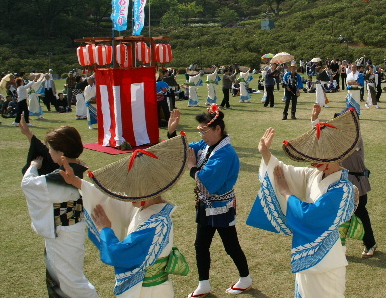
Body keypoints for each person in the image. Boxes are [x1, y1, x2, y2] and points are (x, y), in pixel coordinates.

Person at [60, 135, 189, 298]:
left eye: (130, 192)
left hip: (150, 292)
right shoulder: (148, 208)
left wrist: (105, 229)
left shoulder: (157, 222)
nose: (126, 196)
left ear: (144, 193)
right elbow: (109, 201)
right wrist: (78, 183)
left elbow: (118, 254)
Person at [247, 110, 359, 298]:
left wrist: (286, 193)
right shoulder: (314, 175)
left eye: (318, 156)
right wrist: (265, 153)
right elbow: (284, 172)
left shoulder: (343, 189)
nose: (313, 161)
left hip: (328, 260)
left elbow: (310, 216)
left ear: (334, 156)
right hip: (309, 255)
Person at [167, 107, 252, 297]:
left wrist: (192, 167)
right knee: (201, 245)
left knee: (231, 246)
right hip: (206, 205)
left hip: (222, 206)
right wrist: (172, 133)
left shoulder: (226, 154)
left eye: (205, 131)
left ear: (218, 130)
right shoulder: (207, 146)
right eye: (201, 132)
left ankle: (245, 278)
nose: (202, 136)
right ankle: (204, 284)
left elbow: (206, 182)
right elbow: (186, 150)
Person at [20, 120, 100, 298]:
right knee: (64, 277)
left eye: (51, 149)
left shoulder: (60, 176)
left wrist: (33, 167)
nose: (48, 153)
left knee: (70, 281)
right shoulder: (75, 168)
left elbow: (28, 184)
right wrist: (30, 136)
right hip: (70, 228)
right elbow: (50, 157)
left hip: (63, 233)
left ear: (61, 153)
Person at [311, 104, 377, 258]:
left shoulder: (354, 138)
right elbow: (322, 140)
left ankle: (370, 243)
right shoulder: (338, 138)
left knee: (360, 214)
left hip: (356, 183)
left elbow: (336, 144)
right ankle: (333, 246)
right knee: (334, 215)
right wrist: (315, 120)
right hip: (339, 182)